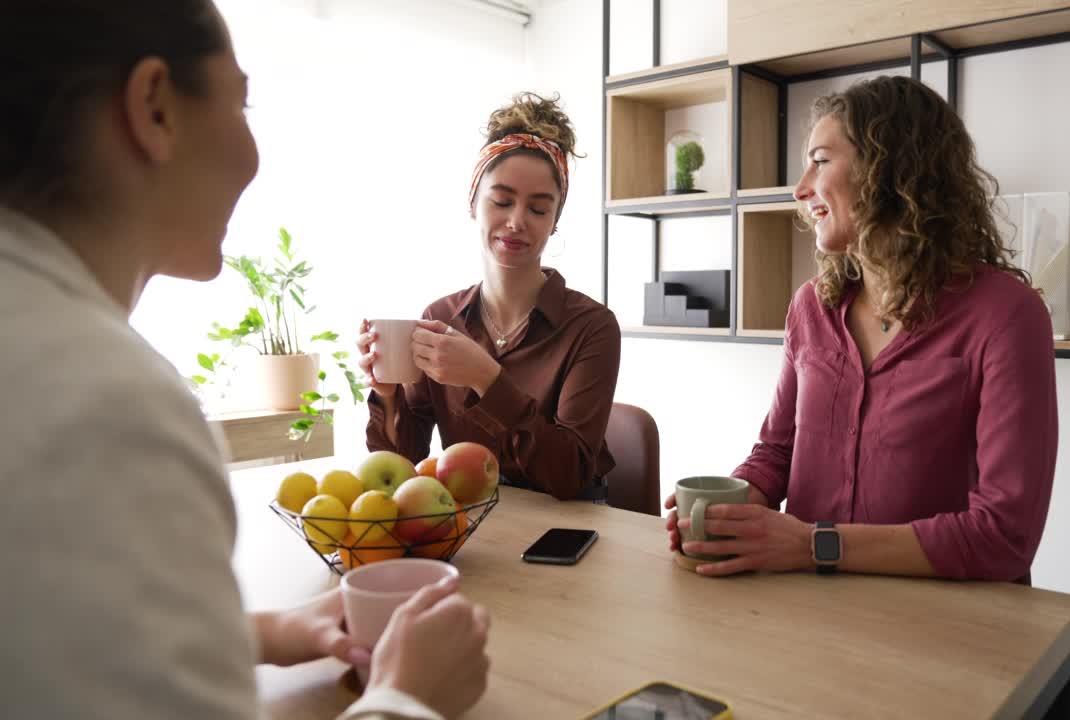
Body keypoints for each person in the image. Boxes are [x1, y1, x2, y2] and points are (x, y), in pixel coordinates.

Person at [0, 2, 488, 718]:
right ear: (155, 107)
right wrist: (408, 699)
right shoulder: (104, 405)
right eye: (244, 100)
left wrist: (264, 631)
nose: (256, 156)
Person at [665, 76, 1058, 583]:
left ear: (892, 168)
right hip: (808, 609)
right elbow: (777, 452)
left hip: (946, 625)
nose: (801, 188)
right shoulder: (811, 307)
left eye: (821, 161)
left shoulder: (1007, 315)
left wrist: (812, 545)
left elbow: (1006, 537)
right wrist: (728, 515)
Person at [358, 93, 621, 502]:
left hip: (566, 529)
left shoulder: (591, 327)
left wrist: (487, 379)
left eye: (538, 209)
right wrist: (388, 393)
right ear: (473, 204)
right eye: (501, 201)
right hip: (473, 519)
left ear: (554, 223)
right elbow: (403, 464)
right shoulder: (440, 317)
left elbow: (569, 474)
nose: (516, 221)